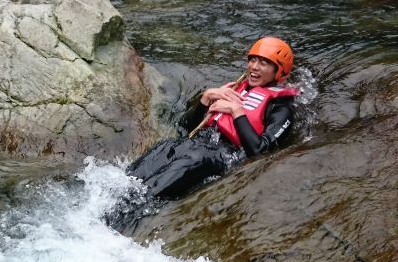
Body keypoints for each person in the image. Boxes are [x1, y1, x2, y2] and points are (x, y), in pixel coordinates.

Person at [127, 36, 300, 200]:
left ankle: (130, 210)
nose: (254, 67)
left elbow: (260, 151)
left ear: (279, 71)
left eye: (263, 63)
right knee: (165, 147)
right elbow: (185, 130)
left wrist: (235, 111)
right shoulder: (236, 88)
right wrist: (206, 99)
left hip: (220, 156)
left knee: (187, 164)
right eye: (252, 60)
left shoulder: (281, 109)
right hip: (196, 143)